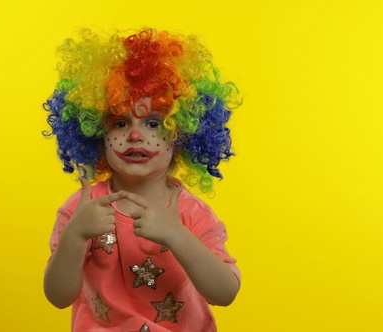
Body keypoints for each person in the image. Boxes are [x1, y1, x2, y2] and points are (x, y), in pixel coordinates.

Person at [42, 27, 242, 332]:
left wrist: (176, 235)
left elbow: (225, 293)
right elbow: (58, 297)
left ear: (182, 134)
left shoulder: (191, 214)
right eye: (121, 122)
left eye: (153, 123)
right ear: (96, 133)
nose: (135, 135)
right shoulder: (83, 210)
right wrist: (76, 235)